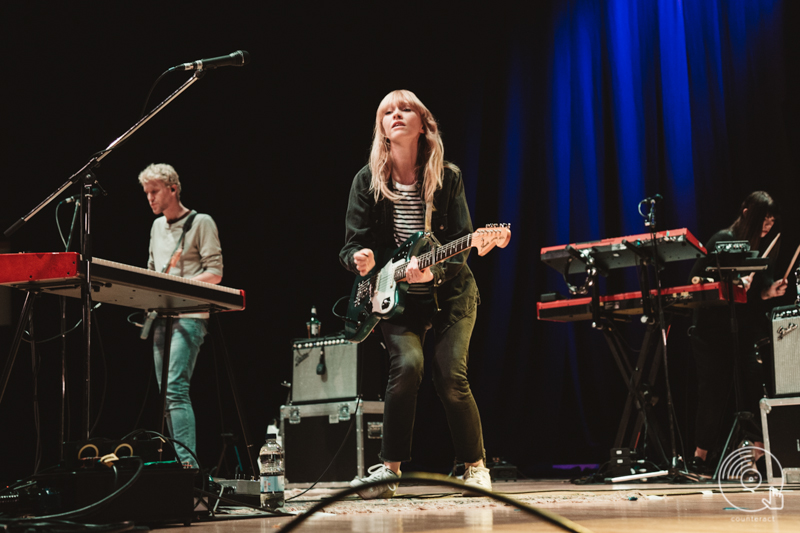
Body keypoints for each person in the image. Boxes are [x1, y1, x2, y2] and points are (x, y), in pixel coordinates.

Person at [339, 90, 491, 498]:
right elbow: (351, 245)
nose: (396, 115)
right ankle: (389, 472)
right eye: (387, 111)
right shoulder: (367, 181)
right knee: (406, 369)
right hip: (397, 295)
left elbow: (462, 241)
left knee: (450, 377)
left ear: (423, 124)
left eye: (405, 109)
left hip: (451, 296)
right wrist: (361, 259)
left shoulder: (447, 177)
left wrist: (435, 272)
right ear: (381, 129)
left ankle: (475, 468)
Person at [688, 191, 786, 475]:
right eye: (763, 220)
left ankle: (757, 453)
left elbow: (759, 292)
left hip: (742, 331)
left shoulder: (761, 248)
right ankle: (700, 458)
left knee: (754, 385)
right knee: (713, 392)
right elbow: (696, 279)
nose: (767, 226)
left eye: (770, 221)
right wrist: (731, 282)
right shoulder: (723, 240)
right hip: (711, 331)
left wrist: (771, 291)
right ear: (746, 213)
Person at [138, 163, 223, 467]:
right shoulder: (156, 227)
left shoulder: (202, 222)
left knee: (175, 389)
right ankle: (180, 463)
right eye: (146, 193)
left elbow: (215, 273)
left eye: (155, 191)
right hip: (162, 317)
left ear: (173, 189)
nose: (150, 198)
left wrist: (177, 286)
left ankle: (189, 467)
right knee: (166, 395)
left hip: (191, 315)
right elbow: (151, 271)